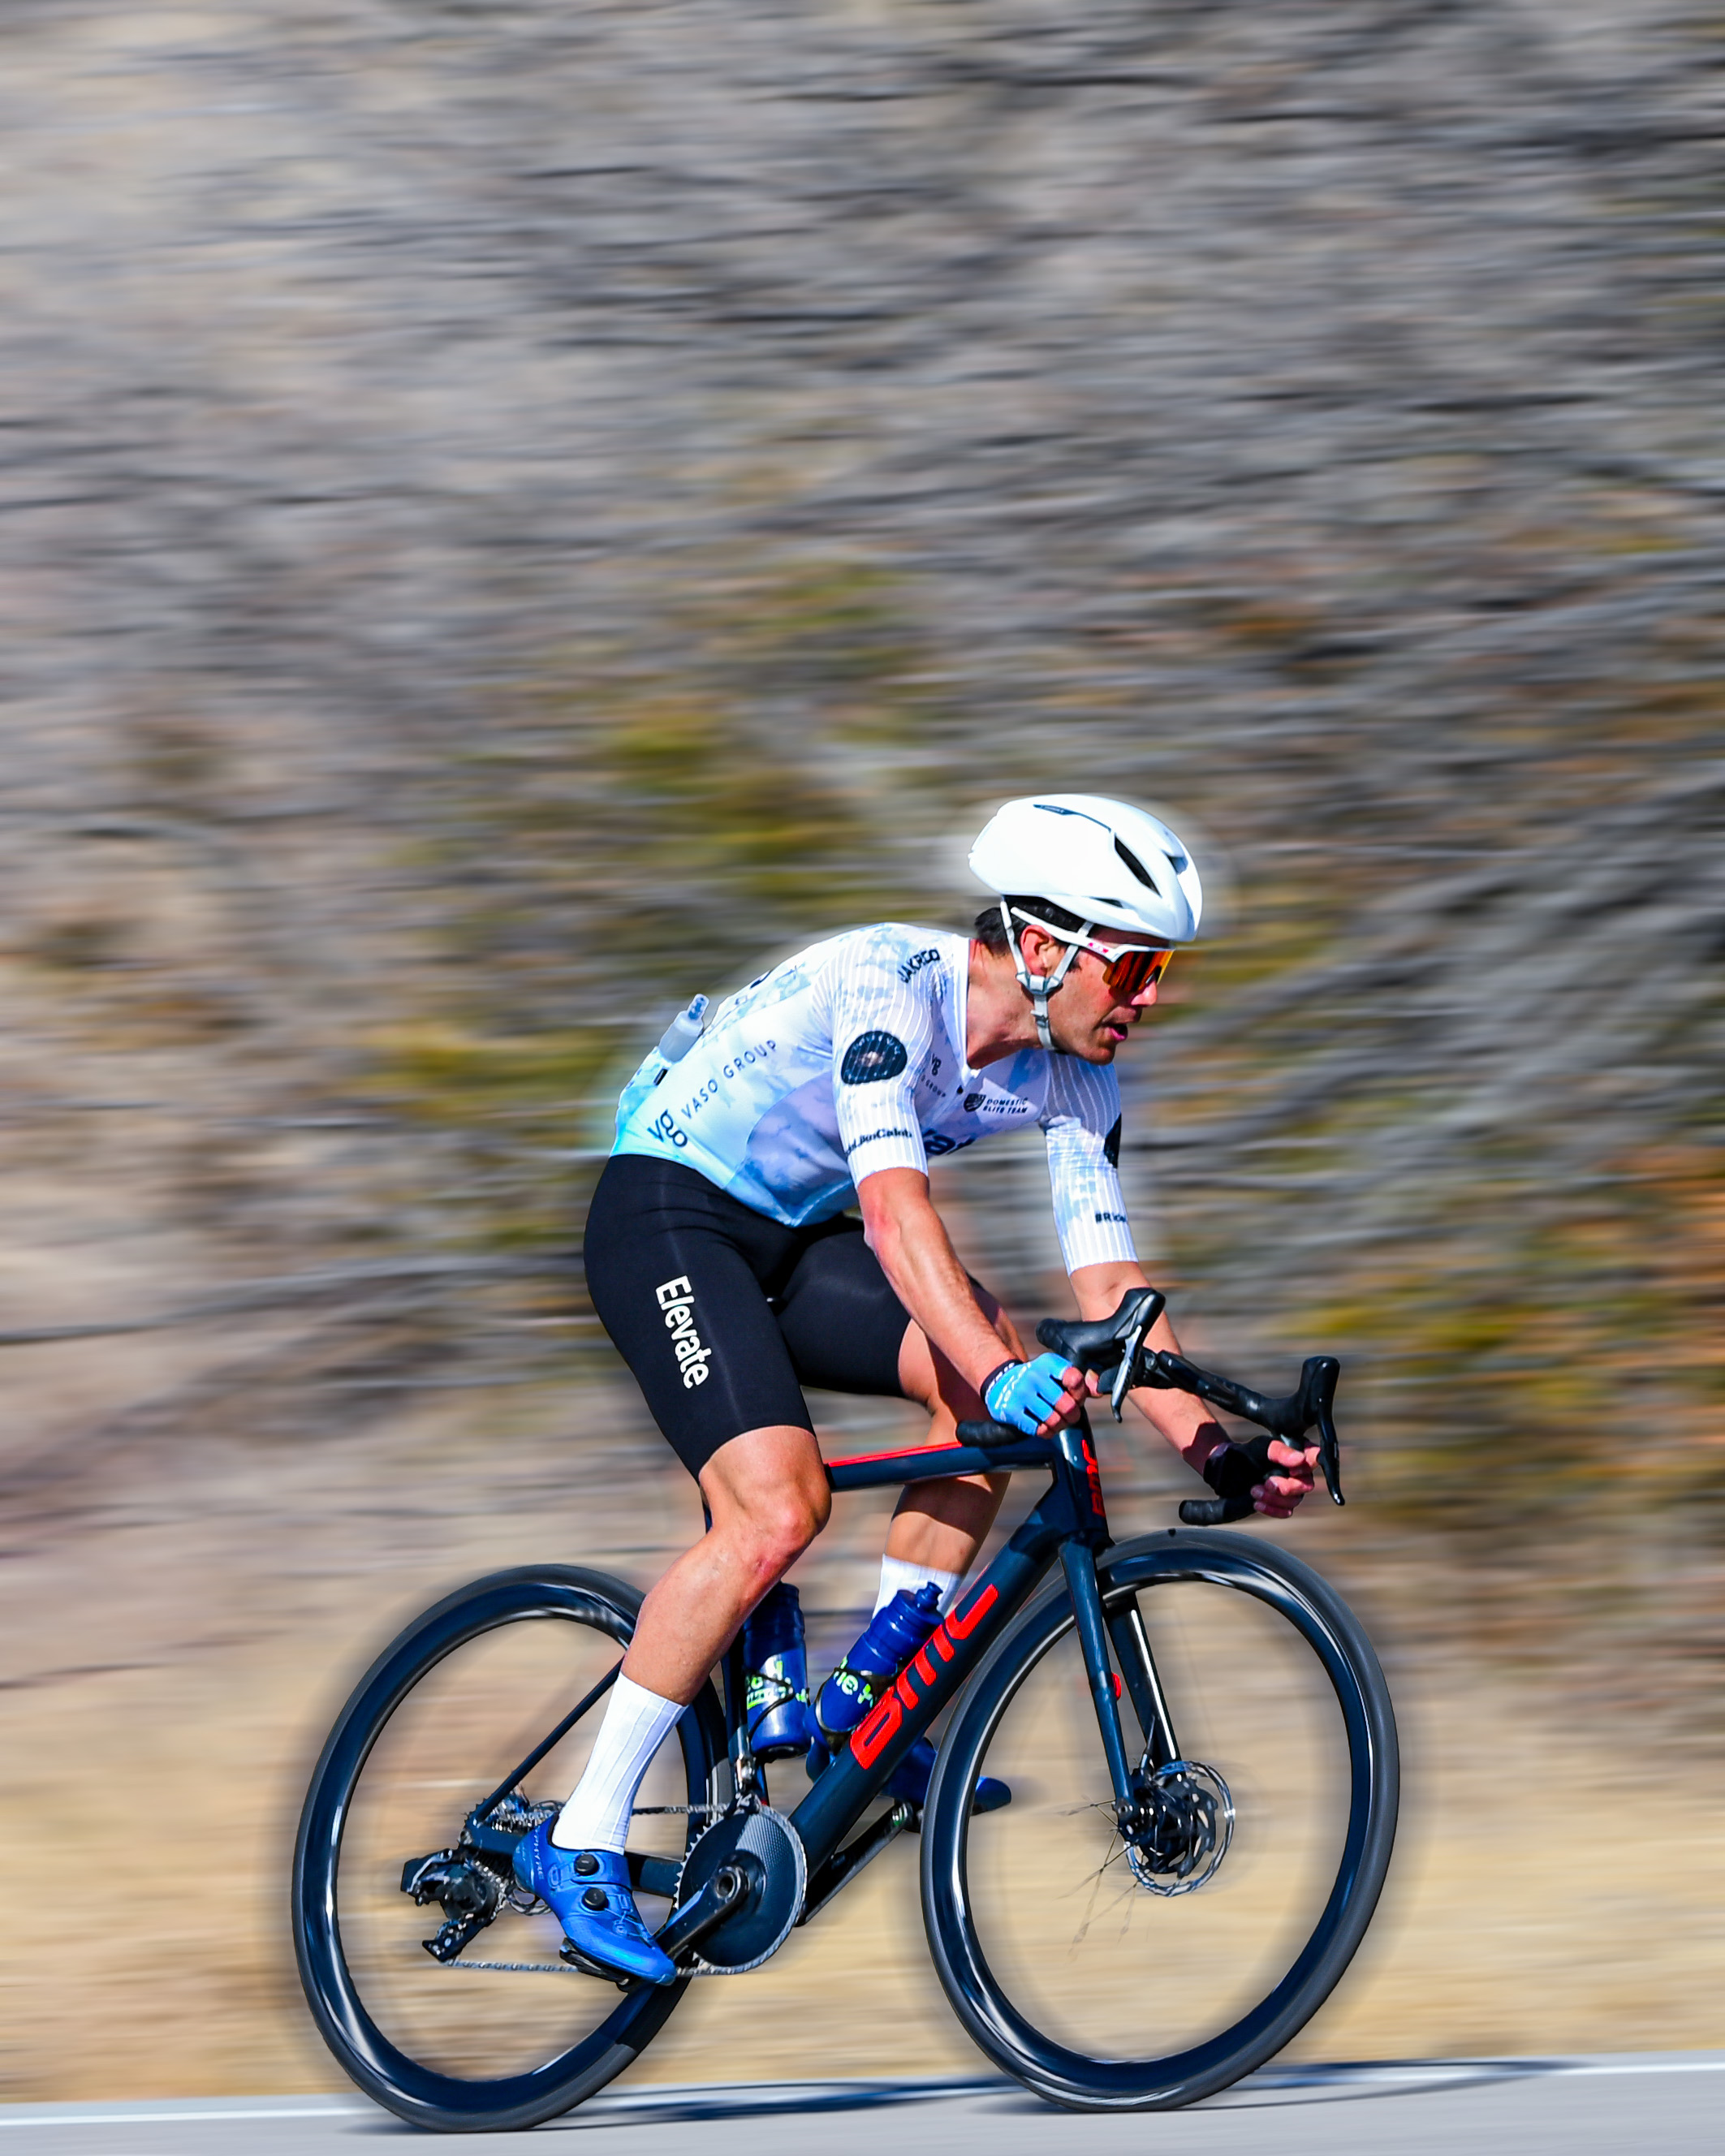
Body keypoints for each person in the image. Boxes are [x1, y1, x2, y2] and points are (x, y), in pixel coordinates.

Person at [515, 794, 1318, 1981]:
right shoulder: (888, 986)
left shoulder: (1077, 1080)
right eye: (1138, 968)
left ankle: (870, 1706)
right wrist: (1000, 1368)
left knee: (988, 1400)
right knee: (779, 1508)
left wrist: (1217, 1451)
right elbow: (895, 1218)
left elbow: (1113, 1295)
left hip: (786, 1237)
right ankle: (578, 1838)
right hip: (667, 1214)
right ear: (1043, 949)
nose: (1154, 998)